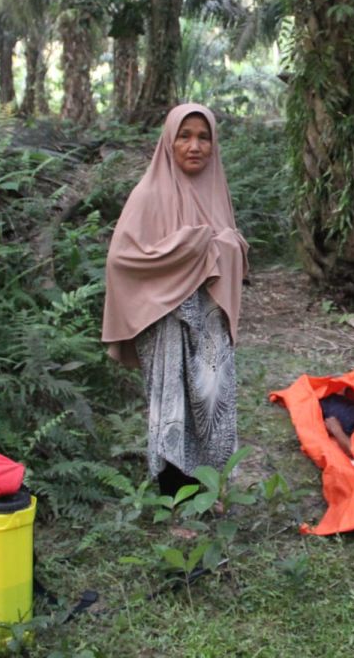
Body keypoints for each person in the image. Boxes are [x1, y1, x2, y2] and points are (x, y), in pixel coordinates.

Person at [102, 103, 249, 498]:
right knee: (173, 408)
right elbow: (122, 259)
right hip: (164, 321)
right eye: (184, 136)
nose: (194, 145)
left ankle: (211, 491)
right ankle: (174, 497)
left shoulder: (217, 191)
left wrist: (226, 247)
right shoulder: (149, 193)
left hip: (210, 321)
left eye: (204, 137)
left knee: (212, 400)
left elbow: (229, 249)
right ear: (169, 140)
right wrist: (190, 247)